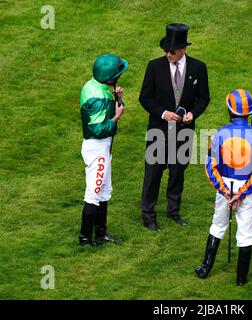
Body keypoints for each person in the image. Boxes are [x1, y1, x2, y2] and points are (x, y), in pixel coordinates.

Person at [139, 23, 210, 232]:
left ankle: (173, 211)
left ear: (183, 49)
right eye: (166, 51)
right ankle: (148, 216)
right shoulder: (154, 67)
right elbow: (145, 98)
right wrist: (162, 113)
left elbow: (204, 98)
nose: (168, 54)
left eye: (172, 51)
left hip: (184, 131)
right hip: (159, 129)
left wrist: (192, 114)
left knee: (178, 173)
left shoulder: (198, 68)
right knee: (153, 173)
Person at [195, 89, 252, 286]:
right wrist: (242, 194)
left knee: (217, 225)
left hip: (225, 186)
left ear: (230, 110)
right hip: (247, 190)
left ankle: (205, 268)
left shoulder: (219, 134)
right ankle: (241, 279)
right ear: (249, 113)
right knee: (245, 234)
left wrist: (225, 191)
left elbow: (210, 166)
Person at [79, 54, 128, 246]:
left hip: (101, 148)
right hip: (97, 148)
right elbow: (96, 130)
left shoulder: (93, 86)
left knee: (104, 189)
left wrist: (118, 99)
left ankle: (101, 234)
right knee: (94, 191)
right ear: (109, 78)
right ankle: (85, 238)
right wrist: (117, 116)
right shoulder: (98, 99)